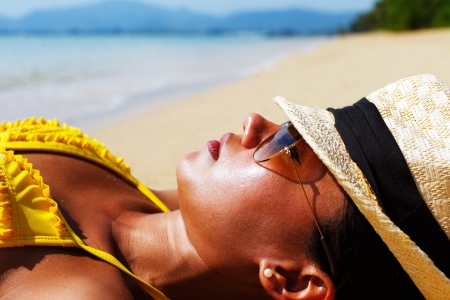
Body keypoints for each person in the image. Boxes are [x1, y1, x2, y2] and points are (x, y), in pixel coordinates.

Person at [0, 74, 448, 299]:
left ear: (292, 280)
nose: (256, 123)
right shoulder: (156, 213)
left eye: (290, 148)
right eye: (292, 127)